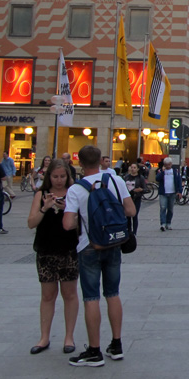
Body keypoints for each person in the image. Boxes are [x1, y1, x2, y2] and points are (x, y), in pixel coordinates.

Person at [63, 145, 136, 366]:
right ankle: (116, 345)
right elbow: (131, 211)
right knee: (113, 293)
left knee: (91, 297)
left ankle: (94, 351)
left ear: (80, 163)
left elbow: (67, 224)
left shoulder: (75, 189)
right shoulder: (117, 181)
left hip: (89, 246)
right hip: (113, 243)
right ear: (102, 160)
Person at [27, 159, 79, 354]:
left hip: (68, 249)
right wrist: (45, 207)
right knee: (47, 295)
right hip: (46, 250)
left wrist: (68, 209)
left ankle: (69, 337)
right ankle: (44, 337)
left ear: (68, 177)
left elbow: (81, 223)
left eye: (62, 177)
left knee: (70, 294)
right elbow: (31, 223)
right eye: (55, 177)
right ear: (49, 177)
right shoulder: (41, 195)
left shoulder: (74, 194)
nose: (59, 181)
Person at [156, 158, 182, 231]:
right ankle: (163, 224)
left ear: (171, 164)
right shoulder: (161, 171)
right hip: (163, 193)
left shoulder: (175, 171)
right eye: (166, 165)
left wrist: (180, 191)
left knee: (170, 209)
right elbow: (157, 179)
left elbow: (179, 181)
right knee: (163, 208)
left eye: (169, 164)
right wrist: (162, 172)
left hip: (172, 193)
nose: (168, 166)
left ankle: (168, 223)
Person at [123, 163, 147, 235]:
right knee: (128, 216)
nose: (133, 169)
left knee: (134, 215)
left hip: (136, 198)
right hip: (128, 198)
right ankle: (129, 231)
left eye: (134, 167)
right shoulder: (126, 177)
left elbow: (145, 189)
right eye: (132, 167)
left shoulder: (140, 178)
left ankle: (134, 232)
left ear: (137, 169)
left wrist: (140, 189)